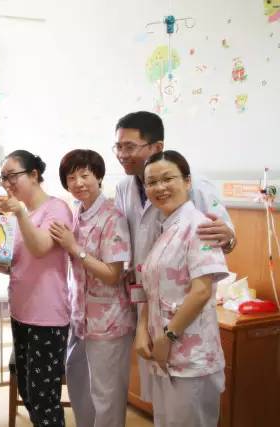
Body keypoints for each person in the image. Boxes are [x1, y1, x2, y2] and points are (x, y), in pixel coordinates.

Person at [113, 111, 235, 402]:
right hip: (148, 301)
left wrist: (230, 236)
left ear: (156, 146)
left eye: (129, 147)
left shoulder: (197, 187)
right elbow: (127, 247)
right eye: (117, 147)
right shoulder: (123, 188)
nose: (121, 154)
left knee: (188, 404)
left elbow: (222, 234)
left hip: (185, 309)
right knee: (163, 403)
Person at [137, 150, 228, 426]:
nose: (160, 187)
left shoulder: (199, 225)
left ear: (187, 182)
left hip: (191, 358)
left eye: (168, 179)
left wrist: (167, 337)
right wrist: (143, 330)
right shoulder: (164, 227)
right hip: (164, 355)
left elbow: (201, 290)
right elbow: (152, 289)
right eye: (152, 182)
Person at [50, 149, 133, 427]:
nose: (78, 182)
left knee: (106, 396)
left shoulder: (113, 216)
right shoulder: (77, 213)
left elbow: (113, 274)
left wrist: (75, 249)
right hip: (80, 318)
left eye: (85, 175)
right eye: (71, 177)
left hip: (109, 322)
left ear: (98, 176)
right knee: (80, 389)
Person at [0, 150, 72, 427]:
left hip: (47, 317)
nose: (6, 182)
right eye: (3, 177)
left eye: (12, 175)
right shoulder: (20, 215)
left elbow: (40, 247)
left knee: (44, 398)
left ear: (34, 175)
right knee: (29, 393)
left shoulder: (57, 208)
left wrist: (20, 213)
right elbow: (18, 263)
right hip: (21, 313)